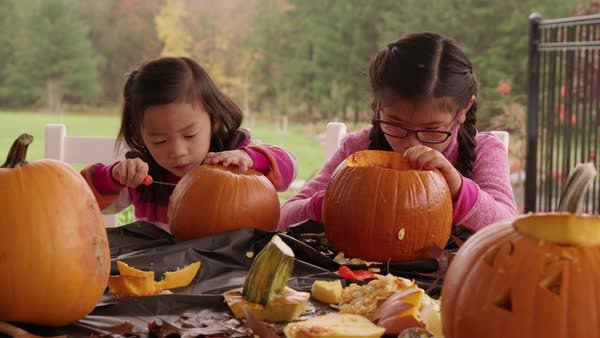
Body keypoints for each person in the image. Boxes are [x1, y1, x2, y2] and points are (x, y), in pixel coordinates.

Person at [279, 32, 516, 233]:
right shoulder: (358, 148)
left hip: (449, 282)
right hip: (361, 281)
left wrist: (458, 189)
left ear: (464, 109)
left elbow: (507, 229)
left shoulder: (485, 150)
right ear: (378, 106)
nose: (410, 144)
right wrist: (331, 202)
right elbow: (282, 218)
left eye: (431, 129)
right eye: (395, 123)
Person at [82, 56, 297, 232]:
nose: (177, 152)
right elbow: (82, 199)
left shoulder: (236, 156)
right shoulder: (142, 177)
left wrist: (251, 158)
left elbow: (290, 168)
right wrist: (114, 176)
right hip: (162, 279)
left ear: (214, 121)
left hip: (233, 276)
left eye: (190, 135)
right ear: (140, 135)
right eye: (160, 140)